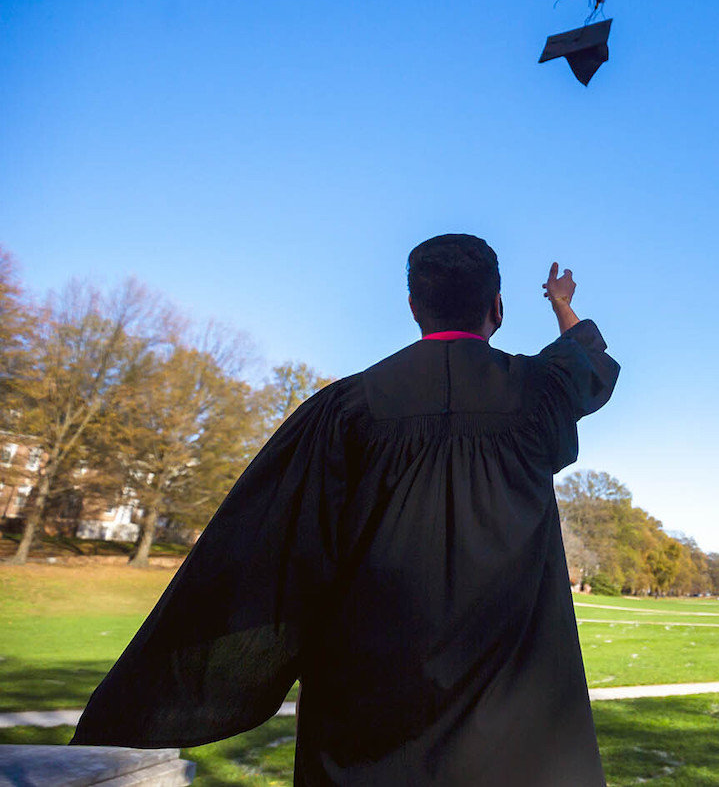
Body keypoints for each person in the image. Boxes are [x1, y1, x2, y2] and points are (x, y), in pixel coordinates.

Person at [72, 234, 620, 786]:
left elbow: (272, 549)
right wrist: (561, 302)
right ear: (496, 306)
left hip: (368, 736)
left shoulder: (348, 409)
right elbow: (586, 363)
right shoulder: (536, 393)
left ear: (414, 307)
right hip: (519, 735)